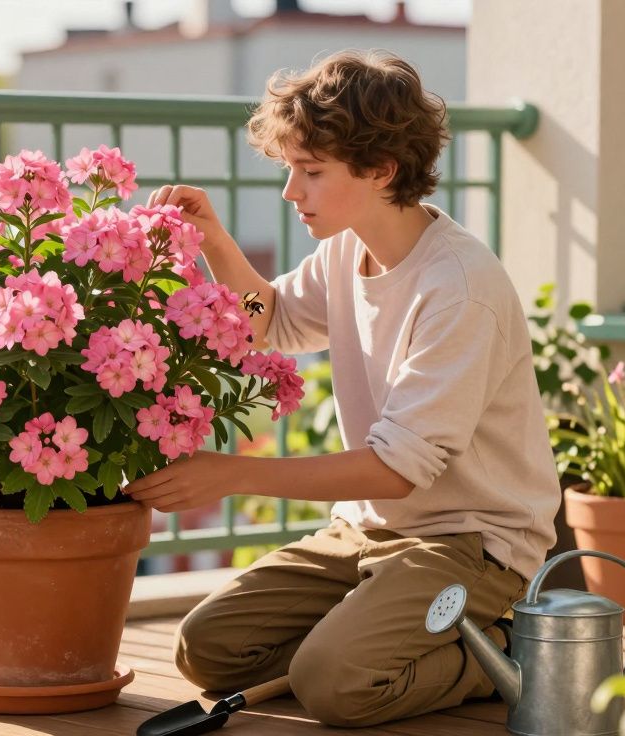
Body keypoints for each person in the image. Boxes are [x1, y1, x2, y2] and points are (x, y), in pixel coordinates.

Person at [125, 50, 560, 727]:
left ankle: (502, 650)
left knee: (334, 687)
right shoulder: (344, 248)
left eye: (312, 172)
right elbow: (272, 323)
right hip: (368, 533)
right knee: (205, 649)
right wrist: (212, 239)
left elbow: (395, 470)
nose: (290, 192)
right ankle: (366, 636)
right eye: (290, 170)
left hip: (471, 543)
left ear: (382, 170)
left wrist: (232, 474)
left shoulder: (460, 290)